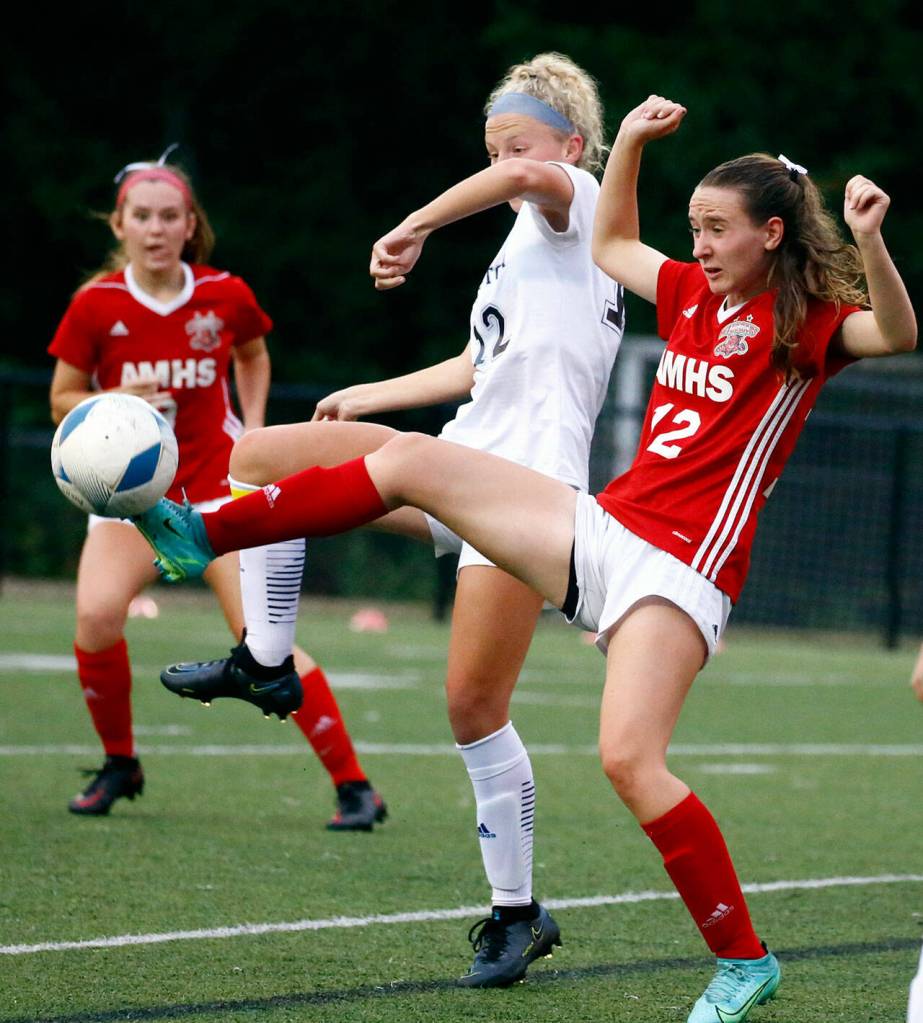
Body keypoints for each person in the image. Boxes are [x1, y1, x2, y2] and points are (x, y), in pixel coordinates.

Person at [132, 95, 916, 1021]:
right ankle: (203, 535)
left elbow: (898, 334)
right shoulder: (685, 293)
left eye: (716, 229)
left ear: (770, 233)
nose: (697, 244)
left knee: (629, 760)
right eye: (693, 226)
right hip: (604, 527)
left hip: (682, 571)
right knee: (412, 461)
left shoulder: (808, 323)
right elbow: (613, 244)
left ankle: (742, 961)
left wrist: (869, 239)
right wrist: (626, 142)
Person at [155, 52, 624, 986]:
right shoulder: (526, 239)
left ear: (571, 144)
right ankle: (267, 661)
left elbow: (530, 178)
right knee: (259, 456)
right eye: (487, 148)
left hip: (523, 496)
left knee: (471, 706)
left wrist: (412, 223)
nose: (500, 166)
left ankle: (515, 910)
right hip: (457, 461)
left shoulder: (576, 200)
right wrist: (374, 393)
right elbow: (475, 367)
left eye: (515, 146)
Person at [49, 152, 384, 829]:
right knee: (93, 618)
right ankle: (120, 763)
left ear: (189, 223)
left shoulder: (224, 293)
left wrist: (253, 430)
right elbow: (62, 399)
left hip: (216, 494)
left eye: (169, 216)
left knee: (263, 640)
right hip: (134, 504)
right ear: (119, 223)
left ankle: (354, 786)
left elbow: (253, 351)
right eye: (141, 216)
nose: (155, 228)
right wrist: (115, 396)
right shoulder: (96, 304)